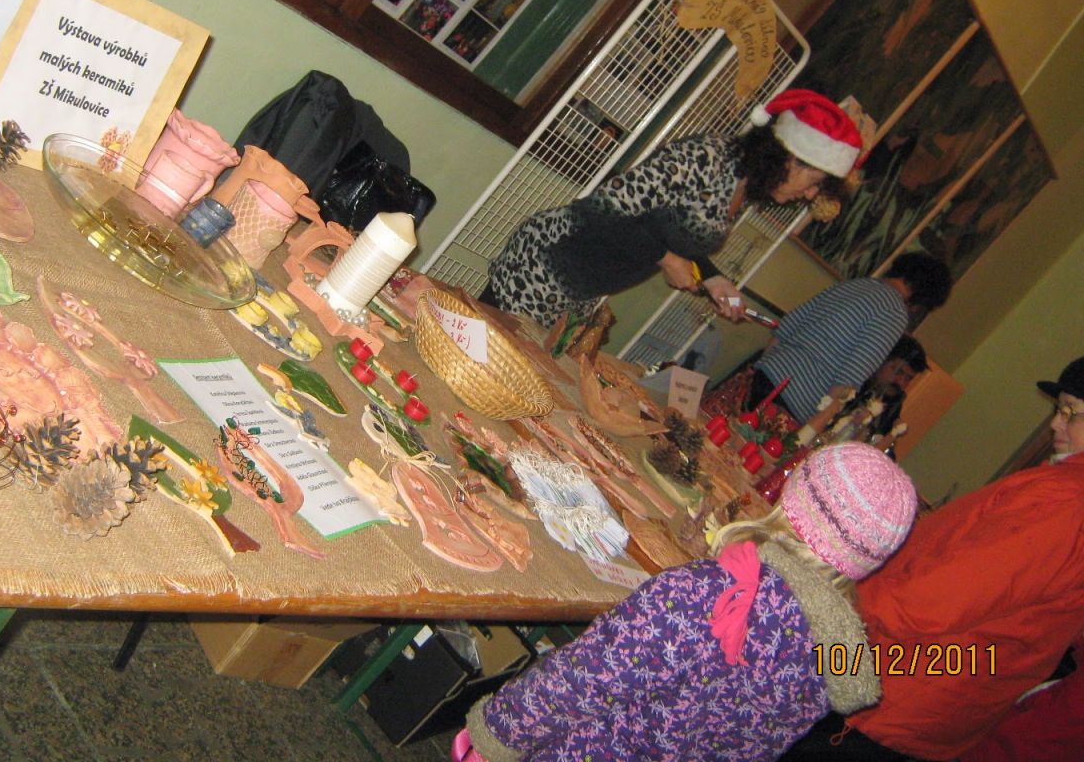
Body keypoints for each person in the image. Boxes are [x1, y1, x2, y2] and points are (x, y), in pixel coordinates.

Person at [451, 443, 917, 762]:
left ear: (794, 500)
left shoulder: (709, 593)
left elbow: (583, 678)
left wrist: (495, 734)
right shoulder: (831, 661)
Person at [780, 357, 1084, 761]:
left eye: (1070, 413)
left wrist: (828, 610)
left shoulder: (1065, 502)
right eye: (1058, 410)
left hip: (896, 693)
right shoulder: (1066, 492)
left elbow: (934, 601)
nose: (1055, 424)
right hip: (930, 698)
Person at [483, 89, 863, 329]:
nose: (811, 195)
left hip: (577, 288)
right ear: (789, 158)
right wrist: (666, 260)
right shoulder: (706, 158)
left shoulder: (743, 184)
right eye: (814, 181)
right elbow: (600, 209)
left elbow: (667, 229)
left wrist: (712, 278)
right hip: (543, 267)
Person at [748, 252, 951, 424]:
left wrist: (760, 368)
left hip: (768, 371)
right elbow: (850, 377)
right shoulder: (894, 314)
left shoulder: (857, 284)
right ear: (922, 301)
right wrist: (814, 428)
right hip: (795, 400)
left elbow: (788, 325)